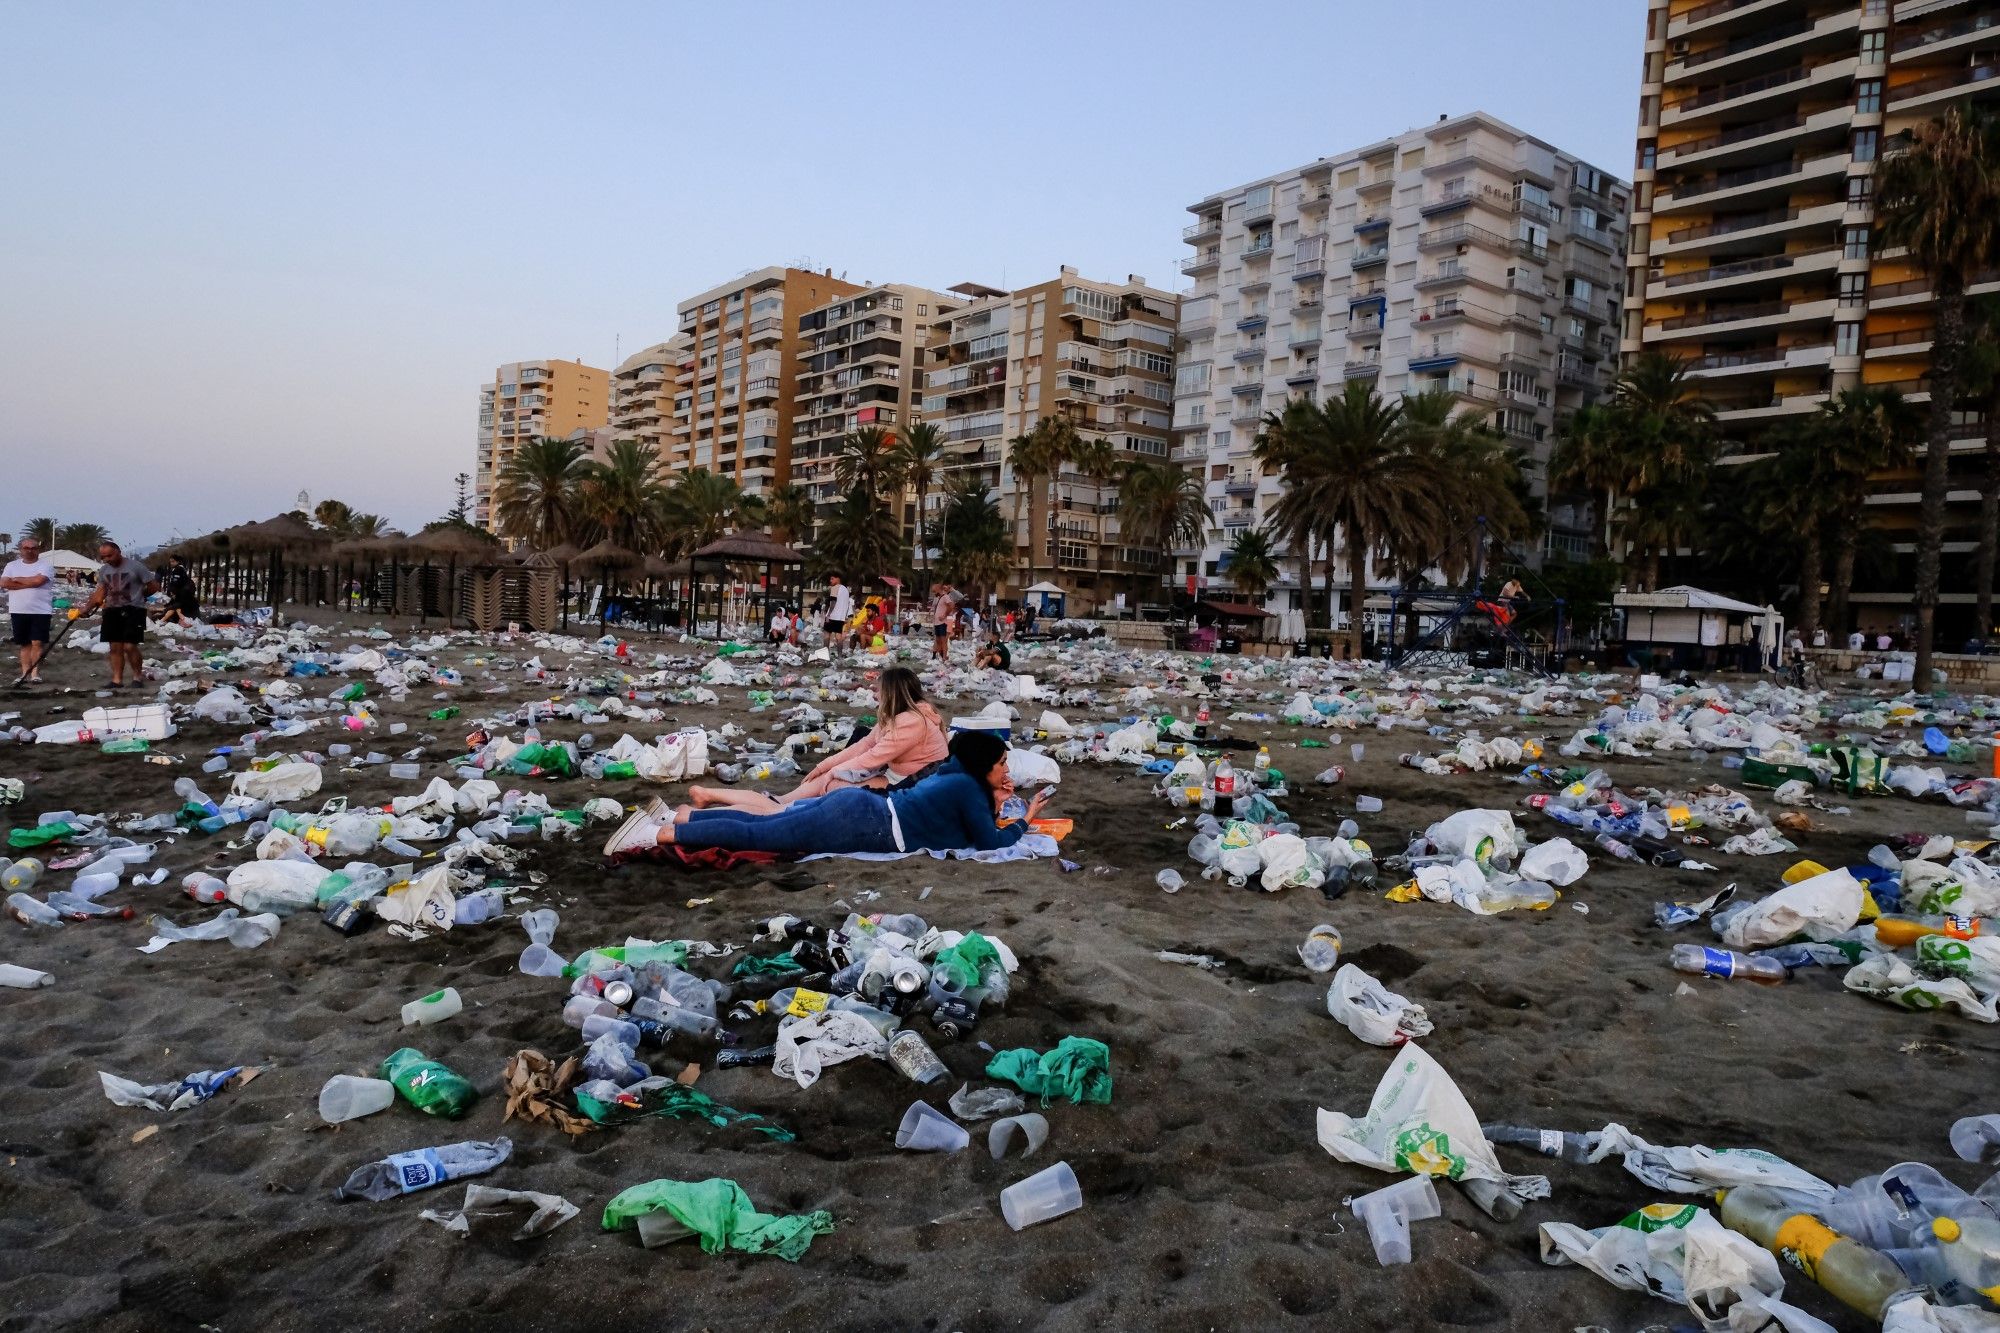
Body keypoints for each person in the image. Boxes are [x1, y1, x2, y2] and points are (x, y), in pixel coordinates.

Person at [605, 730, 1047, 858]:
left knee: (767, 823)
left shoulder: (954, 775)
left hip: (860, 808)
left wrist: (997, 800)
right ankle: (661, 836)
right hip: (864, 822)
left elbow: (971, 826)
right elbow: (989, 841)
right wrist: (1023, 819)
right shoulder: (967, 787)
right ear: (982, 766)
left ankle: (681, 820)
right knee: (762, 836)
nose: (1007, 771)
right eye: (1002, 763)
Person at [687, 666, 948, 814]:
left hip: (909, 789)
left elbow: (872, 757)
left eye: (878, 690)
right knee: (826, 784)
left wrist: (832, 772)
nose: (875, 695)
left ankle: (776, 804)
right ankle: (778, 801)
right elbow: (864, 745)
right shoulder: (902, 716)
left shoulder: (911, 721)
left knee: (832, 787)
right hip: (898, 779)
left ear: (892, 693)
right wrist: (823, 767)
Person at [82, 539, 158, 688]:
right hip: (111, 610)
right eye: (103, 557)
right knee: (115, 647)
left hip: (134, 609)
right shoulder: (104, 570)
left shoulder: (136, 567)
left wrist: (142, 596)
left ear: (118, 551)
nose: (106, 560)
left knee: (129, 646)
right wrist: (87, 608)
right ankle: (117, 679)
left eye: (109, 556)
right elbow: (101, 592)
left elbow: (154, 586)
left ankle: (137, 677)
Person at [2, 536, 55, 684]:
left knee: (37, 642)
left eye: (33, 548)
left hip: (41, 610)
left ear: (38, 550)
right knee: (24, 643)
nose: (30, 551)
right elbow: (5, 583)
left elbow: (39, 581)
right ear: (20, 550)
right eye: (26, 548)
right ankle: (25, 673)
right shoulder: (12, 565)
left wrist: (18, 579)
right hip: (18, 609)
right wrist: (29, 582)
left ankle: (35, 673)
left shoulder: (45, 566)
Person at [156, 555, 200, 625]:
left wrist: (173, 592)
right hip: (183, 597)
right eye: (170, 562)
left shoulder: (178, 569)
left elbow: (176, 583)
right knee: (174, 606)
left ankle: (162, 620)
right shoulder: (180, 569)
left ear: (178, 561)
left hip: (182, 597)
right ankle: (162, 619)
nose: (171, 563)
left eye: (173, 561)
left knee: (174, 606)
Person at [930, 582, 957, 661]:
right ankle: (939, 655)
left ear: (939, 589)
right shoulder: (939, 597)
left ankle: (944, 657)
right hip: (937, 622)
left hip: (943, 622)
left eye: (934, 590)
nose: (934, 592)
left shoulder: (946, 596)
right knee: (938, 640)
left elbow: (951, 606)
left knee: (943, 640)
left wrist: (944, 615)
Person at [824, 576, 853, 642]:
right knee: (839, 636)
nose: (830, 580)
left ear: (838, 579)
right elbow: (847, 605)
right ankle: (840, 652)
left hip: (832, 616)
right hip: (840, 618)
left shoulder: (834, 588)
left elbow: (833, 602)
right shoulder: (846, 590)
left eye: (832, 579)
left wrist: (828, 615)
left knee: (827, 634)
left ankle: (826, 651)